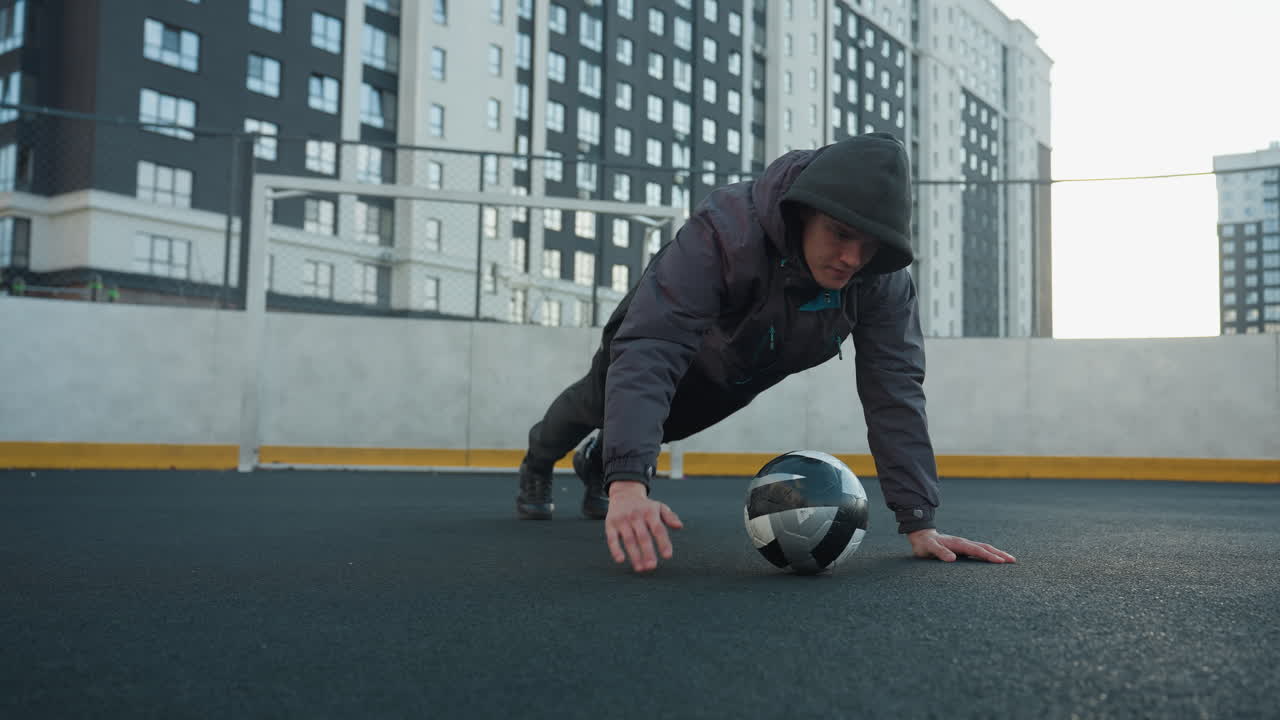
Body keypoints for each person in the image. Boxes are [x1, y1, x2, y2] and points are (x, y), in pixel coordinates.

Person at [516, 133, 1016, 573]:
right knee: (593, 403)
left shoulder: (880, 282)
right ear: (802, 211)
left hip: (737, 373)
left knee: (663, 427)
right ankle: (537, 466)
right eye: (840, 234)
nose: (851, 259)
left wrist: (919, 521)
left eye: (868, 247)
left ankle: (596, 468)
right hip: (656, 338)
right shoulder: (725, 231)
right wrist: (630, 484)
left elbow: (895, 390)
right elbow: (655, 346)